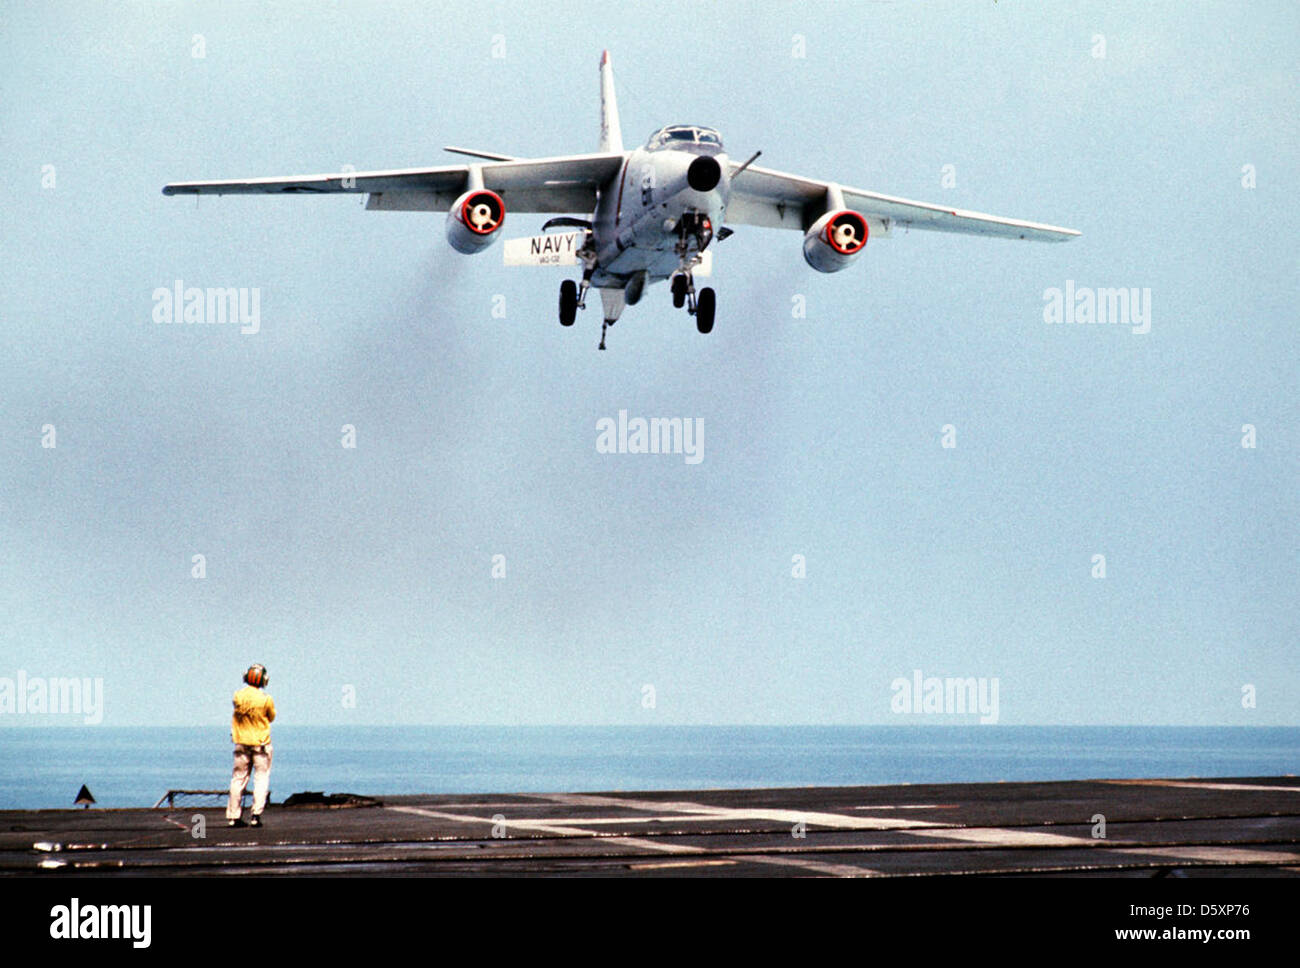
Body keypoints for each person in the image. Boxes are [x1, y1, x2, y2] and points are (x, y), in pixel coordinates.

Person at [226, 664, 276, 827]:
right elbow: (271, 717)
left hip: (241, 743)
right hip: (260, 745)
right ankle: (255, 815)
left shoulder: (237, 696)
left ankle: (233, 816)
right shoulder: (266, 699)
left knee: (238, 779)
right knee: (261, 779)